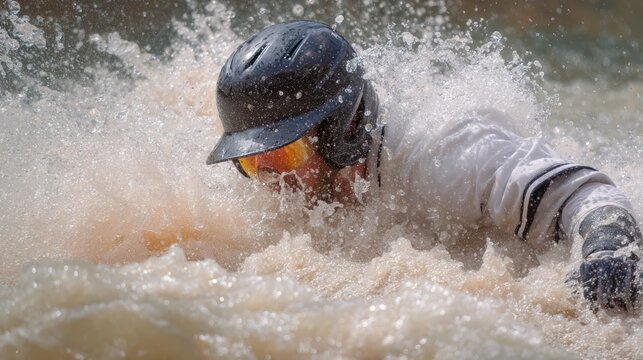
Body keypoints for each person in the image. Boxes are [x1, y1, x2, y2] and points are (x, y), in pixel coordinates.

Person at [206, 21, 643, 312]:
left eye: (282, 153)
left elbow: (582, 191)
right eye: (250, 158)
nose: (267, 178)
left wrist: (607, 247)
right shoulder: (289, 185)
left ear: (346, 125)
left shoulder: (445, 159)